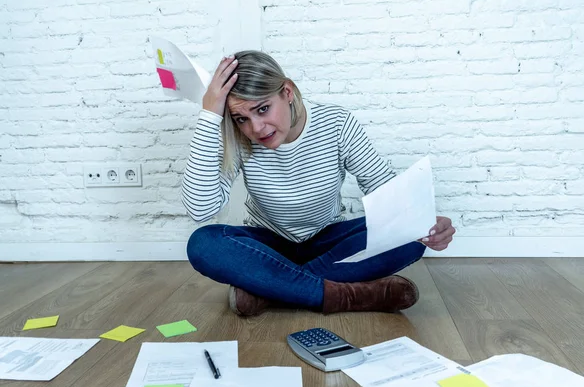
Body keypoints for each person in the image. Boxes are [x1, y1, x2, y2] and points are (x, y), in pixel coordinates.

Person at [181, 51, 456, 317]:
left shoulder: (336, 124)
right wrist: (210, 115)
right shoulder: (239, 137)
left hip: (328, 241)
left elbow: (383, 188)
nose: (257, 128)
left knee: (412, 238)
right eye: (242, 118)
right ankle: (345, 295)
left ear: (287, 92)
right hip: (267, 246)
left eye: (263, 109)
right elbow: (201, 209)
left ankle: (269, 289)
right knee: (203, 244)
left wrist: (422, 223)